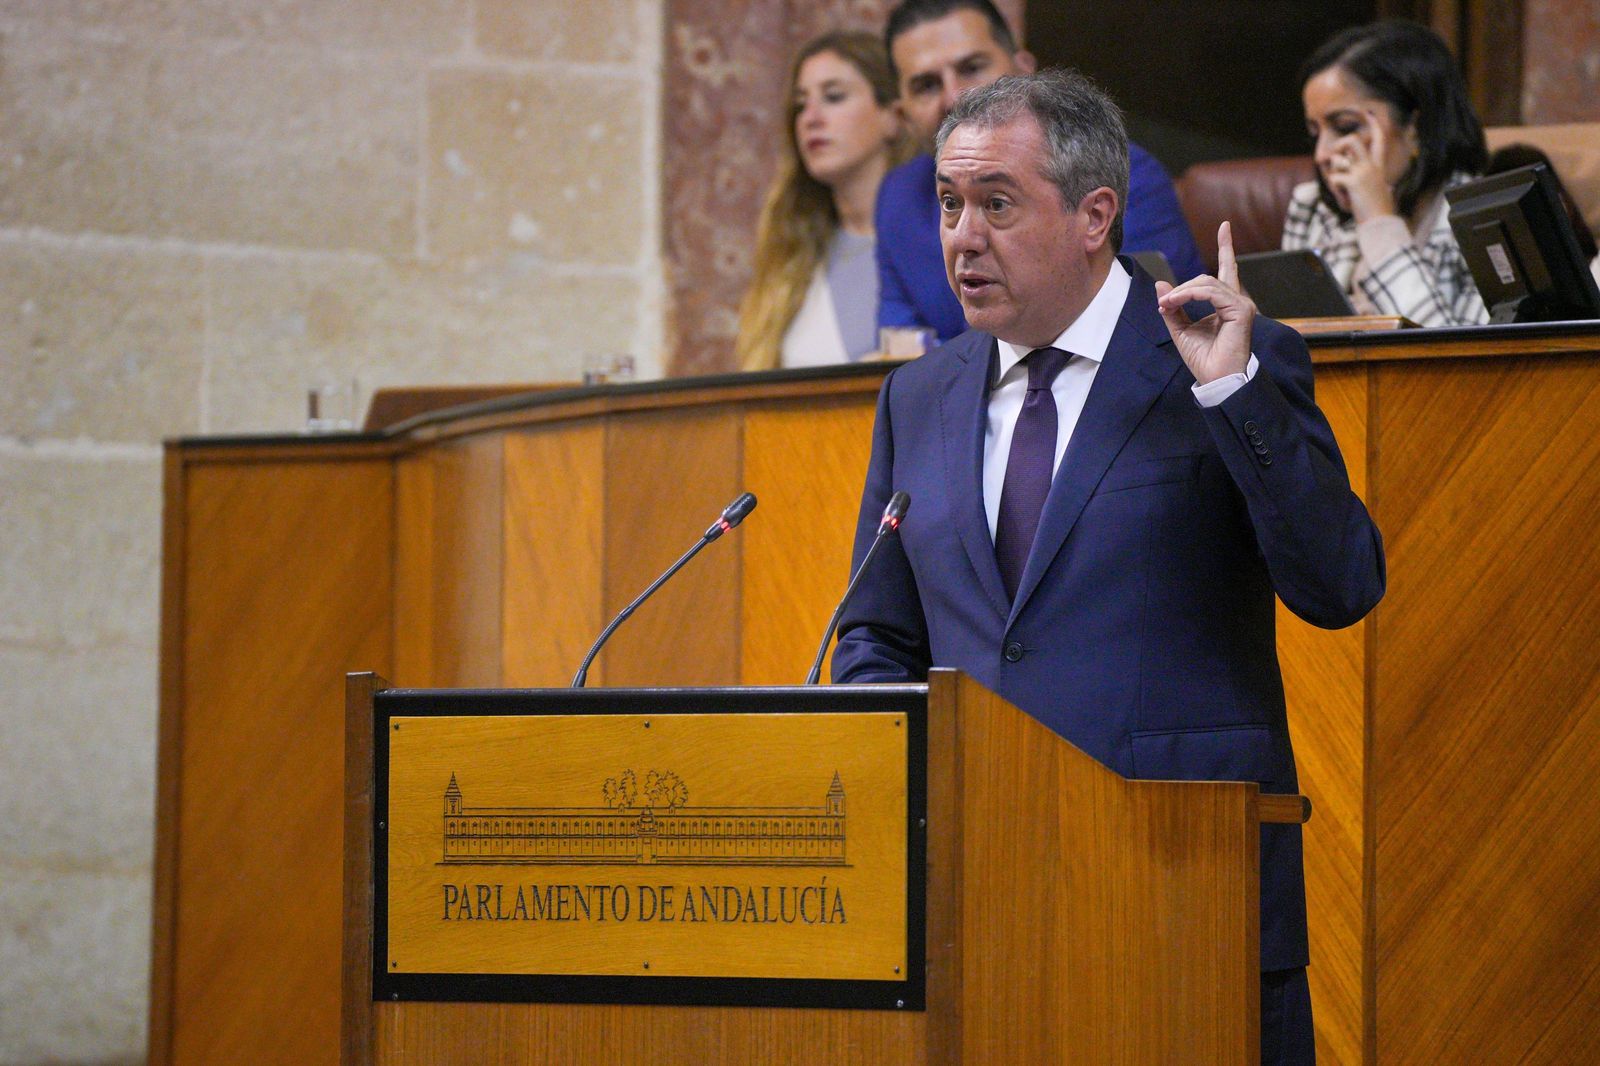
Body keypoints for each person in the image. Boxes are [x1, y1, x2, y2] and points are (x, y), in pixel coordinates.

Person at [832, 70, 1385, 1065]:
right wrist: (913, 769)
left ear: (1095, 214)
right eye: (951, 204)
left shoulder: (1219, 359)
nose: (960, 236)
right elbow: (878, 631)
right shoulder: (918, 396)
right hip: (976, 906)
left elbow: (1339, 585)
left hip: (1183, 894)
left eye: (996, 203)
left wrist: (1234, 397)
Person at [874, 0, 1204, 343]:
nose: (954, 96)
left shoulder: (1120, 173)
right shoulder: (898, 197)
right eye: (926, 85)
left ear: (1024, 71)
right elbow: (898, 349)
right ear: (902, 114)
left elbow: (1147, 328)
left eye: (972, 67)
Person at [1284, 21, 1489, 327]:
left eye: (1345, 127)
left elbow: (1455, 363)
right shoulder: (1313, 207)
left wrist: (1378, 223)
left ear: (1415, 128)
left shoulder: (1483, 217)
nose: (1322, 154)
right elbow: (1292, 351)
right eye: (1316, 133)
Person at [735, 32, 910, 370]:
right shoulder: (794, 254)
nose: (811, 118)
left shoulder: (933, 239)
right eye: (801, 105)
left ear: (892, 115)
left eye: (833, 96)